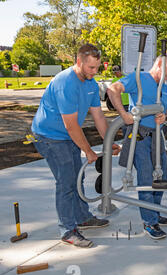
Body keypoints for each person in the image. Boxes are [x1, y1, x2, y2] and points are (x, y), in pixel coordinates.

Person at [31, 44, 121, 248]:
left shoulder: (90, 83)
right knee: (66, 182)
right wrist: (88, 151)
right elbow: (70, 125)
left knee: (76, 178)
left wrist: (109, 140)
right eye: (90, 67)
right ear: (79, 62)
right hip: (49, 136)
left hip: (66, 136)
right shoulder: (65, 83)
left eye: (97, 67)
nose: (94, 71)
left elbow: (98, 116)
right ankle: (67, 230)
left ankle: (82, 218)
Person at [107, 54, 167, 240]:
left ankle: (155, 211)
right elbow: (113, 89)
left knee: (162, 177)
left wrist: (165, 116)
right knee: (146, 177)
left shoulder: (165, 88)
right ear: (159, 66)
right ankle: (149, 221)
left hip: (157, 135)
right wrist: (124, 114)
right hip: (138, 133)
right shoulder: (138, 78)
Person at [111, 65, 130, 135]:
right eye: (114, 72)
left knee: (131, 121)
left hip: (128, 103)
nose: (116, 74)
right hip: (120, 104)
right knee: (123, 122)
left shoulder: (126, 78)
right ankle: (125, 137)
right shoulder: (114, 81)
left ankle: (131, 137)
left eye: (117, 72)